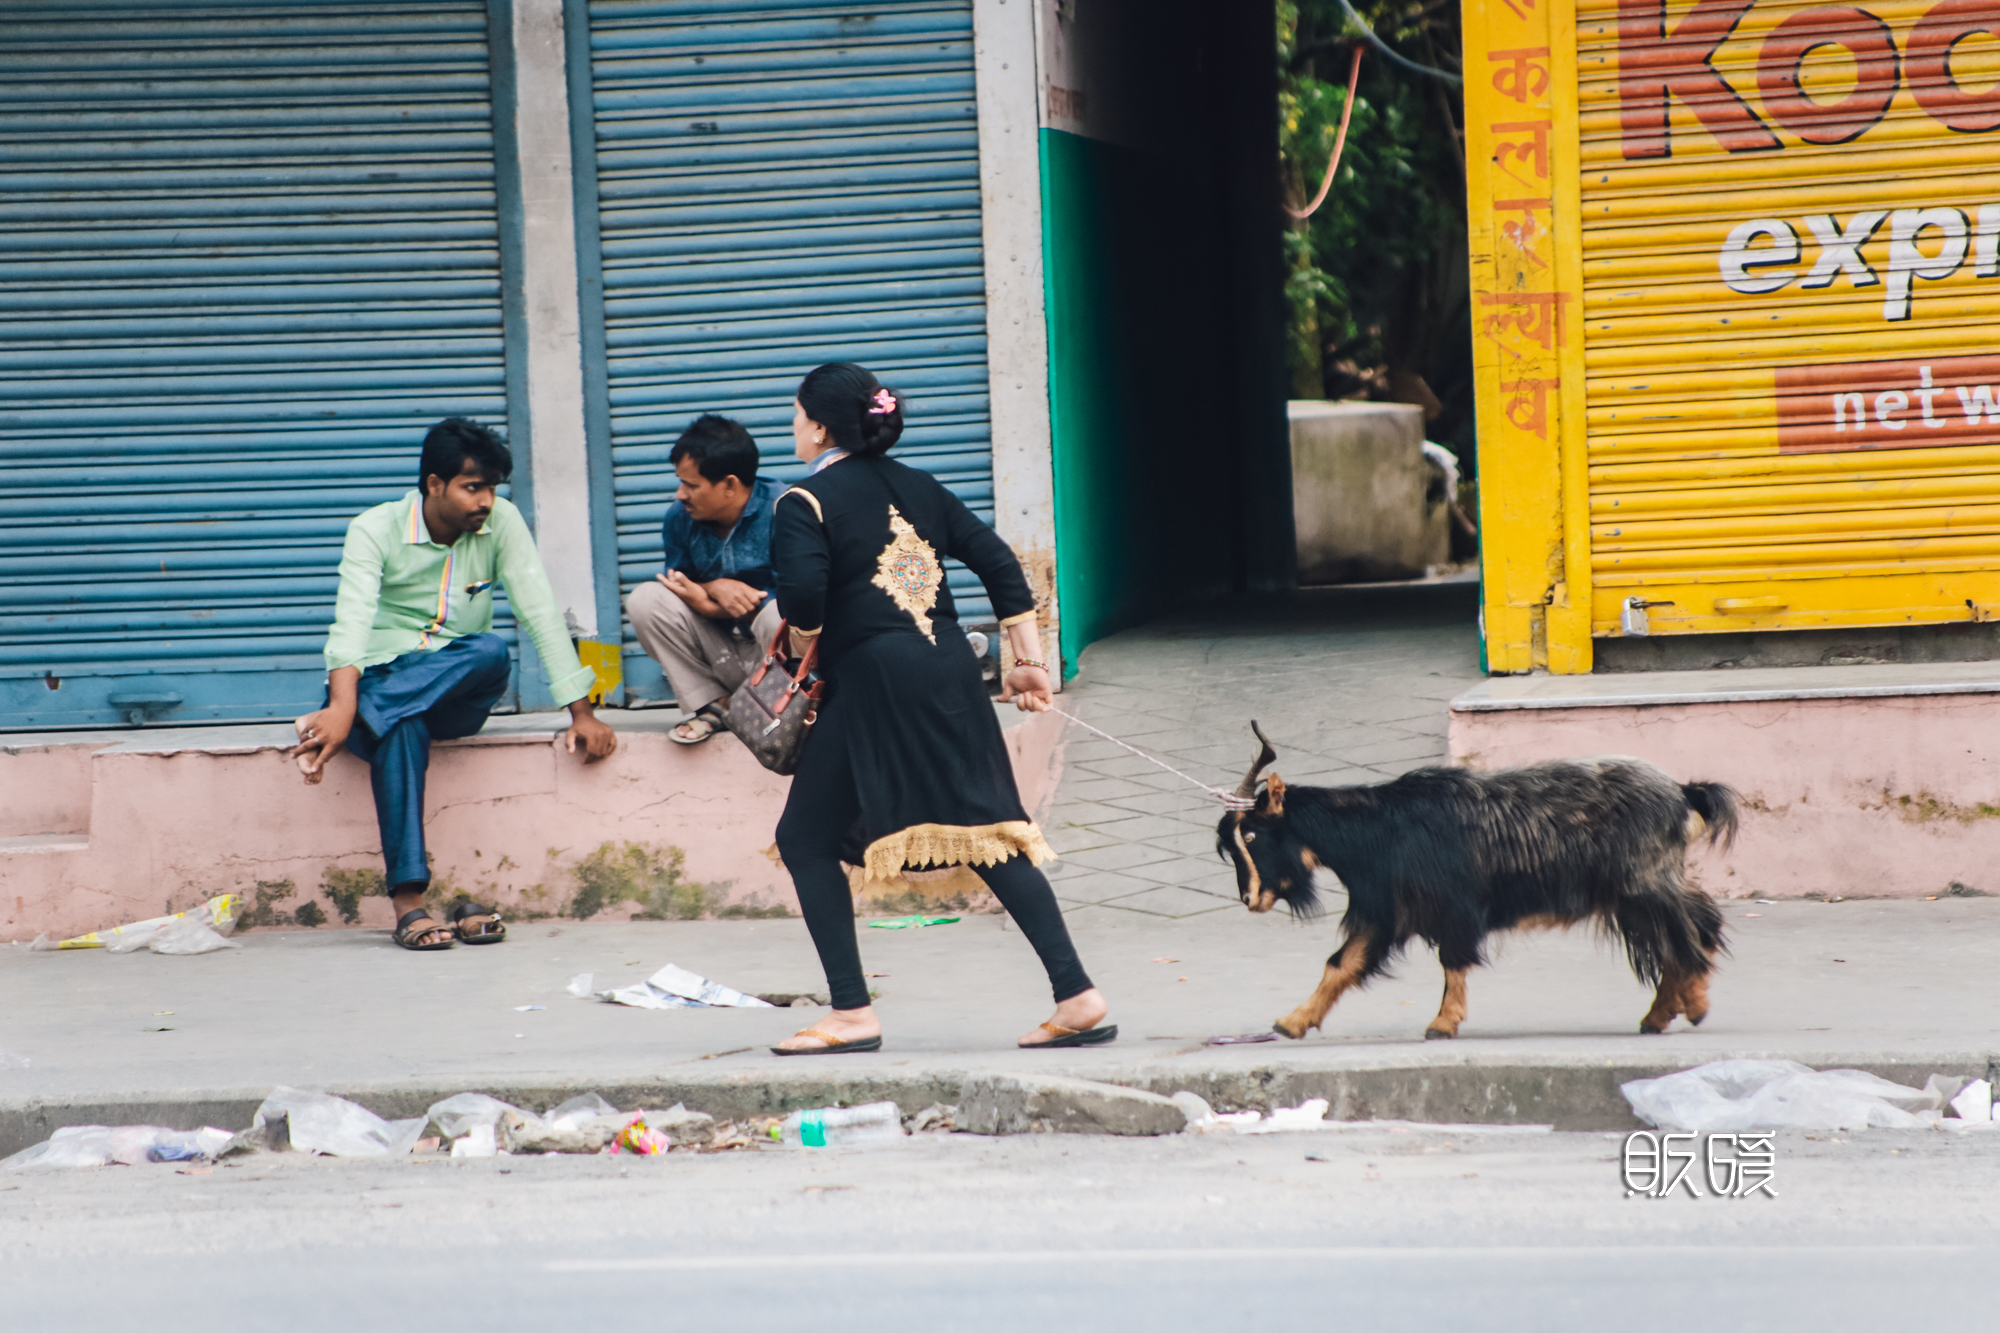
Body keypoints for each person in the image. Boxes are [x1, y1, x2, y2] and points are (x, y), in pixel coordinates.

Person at [767, 362, 1113, 1054]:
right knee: (988, 829)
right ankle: (1077, 996)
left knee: (805, 837)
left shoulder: (802, 502)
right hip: (950, 671)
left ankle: (852, 1011)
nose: (793, 424)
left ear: (823, 424)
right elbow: (998, 562)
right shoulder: (922, 485)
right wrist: (1028, 662)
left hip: (872, 682)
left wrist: (803, 638)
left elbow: (803, 597)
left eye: (798, 413)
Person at [287, 418, 619, 951]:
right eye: (473, 488)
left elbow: (539, 613)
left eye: (491, 488)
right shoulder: (374, 529)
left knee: (489, 649)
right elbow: (349, 626)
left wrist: (582, 711)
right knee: (403, 725)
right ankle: (409, 903)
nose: (486, 500)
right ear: (434, 484)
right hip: (384, 677)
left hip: (454, 693)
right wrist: (346, 696)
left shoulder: (501, 522)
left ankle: (359, 720)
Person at [624, 415, 784, 744]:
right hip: (721, 655)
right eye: (680, 482)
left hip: (775, 662)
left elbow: (804, 599)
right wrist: (715, 588)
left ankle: (775, 710)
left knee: (779, 613)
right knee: (645, 599)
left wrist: (717, 608)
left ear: (730, 485)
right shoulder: (680, 518)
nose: (680, 494)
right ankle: (716, 705)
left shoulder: (785, 510)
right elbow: (679, 584)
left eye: (691, 485)